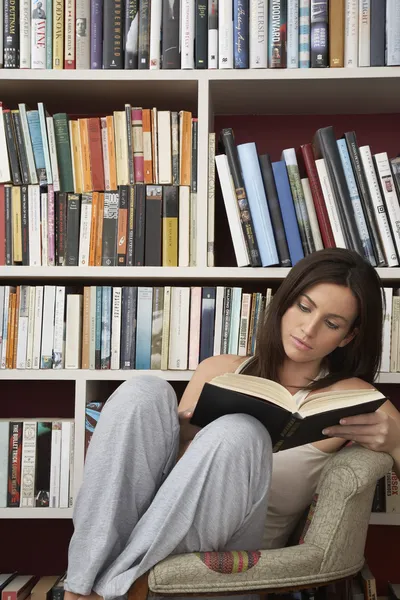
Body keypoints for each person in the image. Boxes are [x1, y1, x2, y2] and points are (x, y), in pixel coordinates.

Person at [64, 248, 400, 600]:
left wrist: (394, 442)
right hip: (162, 533)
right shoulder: (218, 370)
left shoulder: (353, 398)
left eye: (331, 324)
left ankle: (112, 588)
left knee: (240, 432)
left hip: (230, 558)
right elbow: (166, 488)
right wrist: (183, 438)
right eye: (303, 307)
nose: (309, 329)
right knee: (142, 392)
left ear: (347, 337)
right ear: (285, 303)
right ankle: (83, 586)